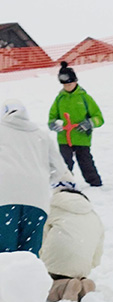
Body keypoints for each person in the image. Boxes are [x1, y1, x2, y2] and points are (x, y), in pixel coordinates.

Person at [0, 99, 73, 255]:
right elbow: (60, 170)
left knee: (4, 255)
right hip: (36, 200)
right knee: (29, 256)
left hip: (4, 198)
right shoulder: (41, 135)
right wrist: (43, 179)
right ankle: (27, 279)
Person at [40, 185, 104, 302]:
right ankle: (83, 283)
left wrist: (40, 260)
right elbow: (98, 252)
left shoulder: (51, 208)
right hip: (82, 266)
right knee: (73, 271)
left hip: (57, 262)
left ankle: (61, 287)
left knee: (46, 285)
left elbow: (42, 236)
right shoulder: (94, 216)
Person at [48, 62, 104, 188]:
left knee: (85, 161)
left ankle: (95, 183)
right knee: (64, 162)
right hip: (64, 137)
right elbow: (52, 117)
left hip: (81, 136)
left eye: (70, 83)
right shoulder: (59, 99)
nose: (68, 86)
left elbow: (99, 117)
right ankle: (65, 183)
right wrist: (53, 125)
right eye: (65, 84)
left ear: (75, 81)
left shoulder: (84, 98)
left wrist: (89, 123)